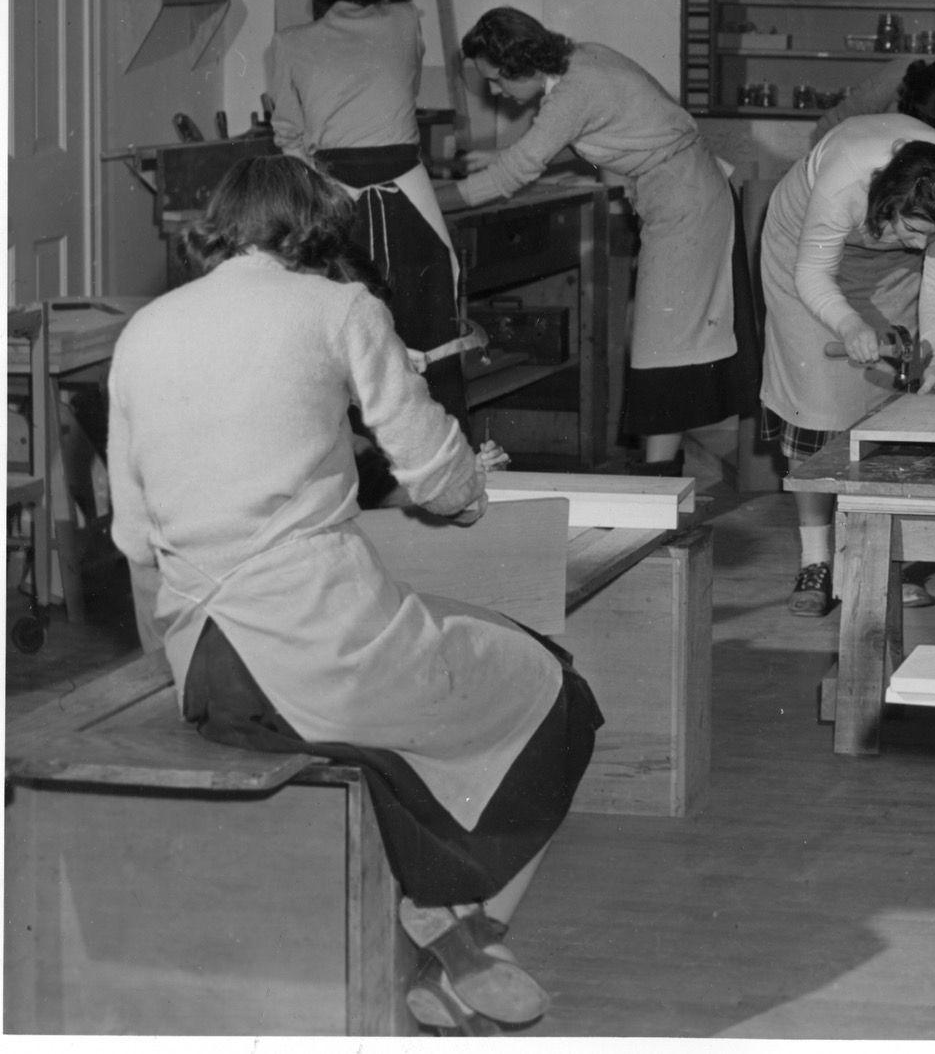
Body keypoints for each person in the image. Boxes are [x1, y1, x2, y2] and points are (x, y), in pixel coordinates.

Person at [107, 155, 599, 1032]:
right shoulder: (341, 308)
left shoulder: (146, 327)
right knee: (551, 684)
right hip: (316, 654)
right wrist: (468, 485)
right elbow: (440, 480)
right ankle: (471, 940)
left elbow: (134, 536)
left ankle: (448, 924)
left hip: (207, 672)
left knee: (408, 701)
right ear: (318, 231)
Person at [438, 8, 757, 476]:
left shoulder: (572, 93)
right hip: (687, 189)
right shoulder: (582, 59)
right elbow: (592, 126)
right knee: (662, 342)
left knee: (661, 347)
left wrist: (427, 199)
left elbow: (516, 172)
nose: (495, 92)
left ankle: (657, 484)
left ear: (521, 66)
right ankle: (661, 475)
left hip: (686, 204)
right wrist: (510, 155)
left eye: (497, 80)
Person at [760, 118, 935, 616]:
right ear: (889, 200)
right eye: (916, 230)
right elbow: (813, 274)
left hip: (887, 258)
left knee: (897, 393)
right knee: (817, 403)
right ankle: (816, 560)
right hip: (806, 253)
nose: (924, 246)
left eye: (933, 236)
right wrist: (846, 324)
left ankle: (885, 555)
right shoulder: (846, 177)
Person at [268, 0, 467, 421]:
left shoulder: (289, 41)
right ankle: (440, 452)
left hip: (335, 193)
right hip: (409, 192)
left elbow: (288, 134)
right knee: (430, 319)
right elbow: (410, 82)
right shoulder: (404, 21)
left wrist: (320, 173)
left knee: (340, 327)